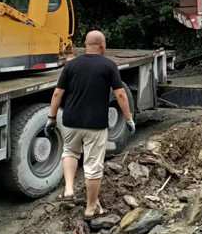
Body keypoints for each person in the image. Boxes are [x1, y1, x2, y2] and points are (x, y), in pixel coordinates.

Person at [45, 30, 135, 219]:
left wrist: (51, 118)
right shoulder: (109, 65)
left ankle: (69, 189)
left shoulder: (71, 65)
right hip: (95, 125)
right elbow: (120, 94)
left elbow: (57, 93)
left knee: (70, 152)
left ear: (86, 44)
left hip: (71, 121)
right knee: (93, 167)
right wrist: (128, 119)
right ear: (103, 45)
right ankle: (91, 208)